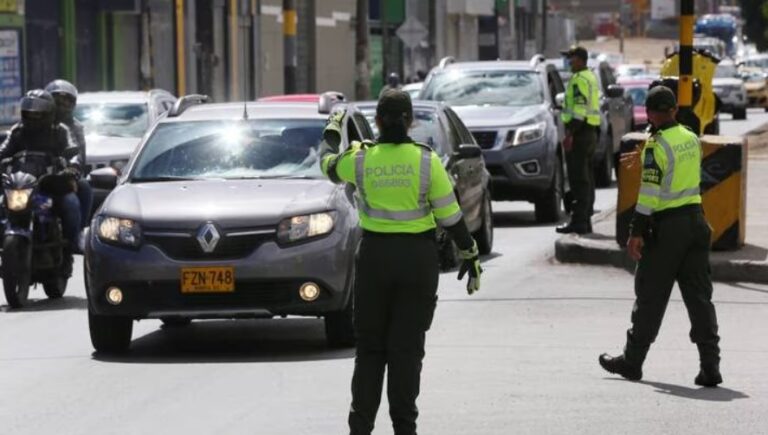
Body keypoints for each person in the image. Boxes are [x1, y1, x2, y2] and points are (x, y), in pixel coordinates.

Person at [319, 90, 482, 435]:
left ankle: (360, 428)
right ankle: (405, 429)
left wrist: (331, 131)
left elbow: (327, 165)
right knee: (406, 352)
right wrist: (469, 252)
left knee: (370, 351)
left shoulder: (361, 159)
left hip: (375, 260)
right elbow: (451, 217)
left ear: (377, 121)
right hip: (417, 262)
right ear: (410, 121)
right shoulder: (427, 161)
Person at [599, 86, 722, 387]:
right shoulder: (691, 138)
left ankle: (632, 361)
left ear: (651, 113)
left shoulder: (656, 146)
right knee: (699, 297)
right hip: (696, 223)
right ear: (675, 111)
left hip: (668, 229)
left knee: (650, 296)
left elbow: (650, 195)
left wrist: (635, 233)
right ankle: (711, 365)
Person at [0, 90, 82, 272]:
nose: (33, 115)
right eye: (29, 111)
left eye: (38, 112)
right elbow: (4, 150)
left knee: (70, 203)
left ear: (49, 112)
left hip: (50, 184)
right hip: (21, 185)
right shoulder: (17, 130)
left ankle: (69, 248)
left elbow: (72, 151)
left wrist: (72, 167)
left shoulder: (60, 130)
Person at [556, 46, 600, 235]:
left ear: (581, 60)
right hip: (589, 132)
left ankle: (579, 221)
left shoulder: (579, 80)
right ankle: (585, 219)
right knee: (587, 179)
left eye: (571, 58)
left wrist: (569, 134)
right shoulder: (589, 76)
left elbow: (579, 112)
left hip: (580, 133)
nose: (568, 62)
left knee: (578, 180)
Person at [45, 79, 93, 227]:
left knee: (80, 191)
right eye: (57, 102)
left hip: (61, 177)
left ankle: (78, 234)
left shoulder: (74, 128)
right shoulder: (34, 122)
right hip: (34, 177)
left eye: (66, 103)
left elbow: (78, 155)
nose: (61, 107)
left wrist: (72, 169)